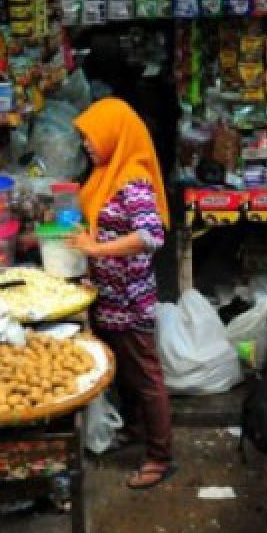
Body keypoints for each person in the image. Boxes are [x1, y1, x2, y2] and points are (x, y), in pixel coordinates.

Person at [68, 97, 175, 490]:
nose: (87, 145)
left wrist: (96, 250)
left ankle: (161, 456)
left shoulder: (132, 179)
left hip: (130, 300)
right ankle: (135, 429)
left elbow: (150, 235)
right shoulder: (105, 174)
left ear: (114, 134)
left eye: (92, 137)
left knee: (146, 376)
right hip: (108, 296)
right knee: (126, 373)